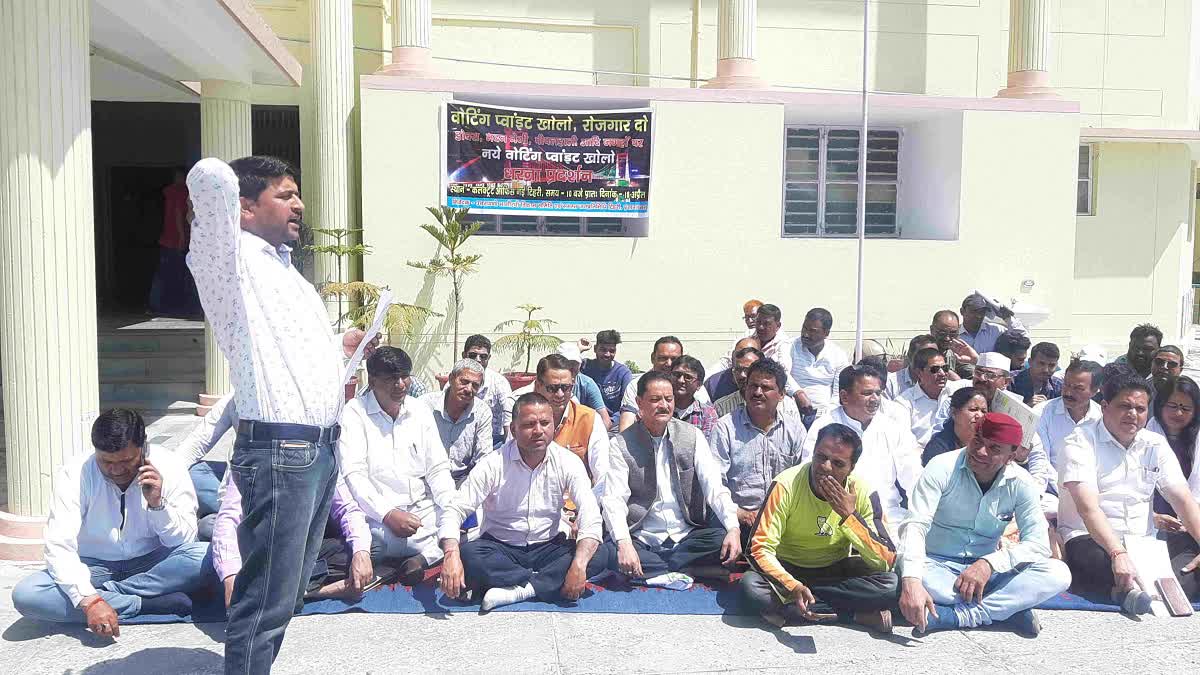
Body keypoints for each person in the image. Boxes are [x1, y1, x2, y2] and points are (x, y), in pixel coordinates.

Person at [186, 155, 372, 674]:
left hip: (317, 449)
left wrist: (343, 346)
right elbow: (209, 179)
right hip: (280, 451)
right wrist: (234, 182)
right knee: (265, 596)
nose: (299, 205)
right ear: (244, 208)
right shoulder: (229, 261)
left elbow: (289, 356)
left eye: (297, 194)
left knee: (287, 594)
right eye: (285, 195)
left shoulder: (286, 271)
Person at [12, 410, 212, 633]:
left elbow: (183, 541)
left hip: (153, 564)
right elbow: (59, 545)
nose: (116, 470)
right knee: (28, 594)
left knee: (206, 555)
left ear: (144, 447)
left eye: (126, 461)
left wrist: (157, 504)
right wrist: (90, 601)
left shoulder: (169, 465)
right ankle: (147, 605)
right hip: (94, 566)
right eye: (106, 462)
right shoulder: (76, 473)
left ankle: (112, 599)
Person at [898, 413, 1070, 637]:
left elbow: (1038, 544)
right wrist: (911, 581)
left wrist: (988, 564)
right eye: (977, 441)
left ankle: (959, 616)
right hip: (938, 568)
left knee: (1058, 573)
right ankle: (1008, 610)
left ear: (1012, 455)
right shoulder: (941, 467)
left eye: (994, 448)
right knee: (908, 575)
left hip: (989, 575)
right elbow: (915, 526)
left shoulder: (1021, 482)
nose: (980, 452)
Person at [437, 393, 606, 611]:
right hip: (500, 547)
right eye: (529, 424)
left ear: (553, 425)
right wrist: (451, 555)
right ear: (513, 430)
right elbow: (455, 509)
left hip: (548, 546)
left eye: (545, 423)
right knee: (469, 556)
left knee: (600, 553)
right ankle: (549, 581)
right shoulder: (493, 463)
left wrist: (580, 564)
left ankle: (520, 590)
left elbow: (590, 513)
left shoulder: (568, 462)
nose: (538, 431)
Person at [1058, 372, 1200, 612]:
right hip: (1092, 539)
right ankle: (1129, 589)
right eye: (1125, 406)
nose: (1133, 414)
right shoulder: (1079, 441)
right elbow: (1088, 509)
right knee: (1096, 561)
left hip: (1143, 543)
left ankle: (1131, 591)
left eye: (1140, 408)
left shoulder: (1154, 443)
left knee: (1190, 555)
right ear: (1104, 406)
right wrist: (1117, 552)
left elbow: (1183, 500)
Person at [739, 423, 899, 632]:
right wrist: (793, 585)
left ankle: (794, 610)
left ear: (851, 468)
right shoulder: (786, 484)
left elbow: (885, 560)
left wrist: (850, 517)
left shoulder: (862, 491)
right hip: (788, 568)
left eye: (838, 463)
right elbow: (758, 548)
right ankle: (854, 615)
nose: (825, 467)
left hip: (836, 569)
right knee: (751, 587)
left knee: (891, 585)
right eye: (820, 457)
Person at [595, 372, 742, 588]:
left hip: (686, 535)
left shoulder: (692, 436)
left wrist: (733, 528)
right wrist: (625, 543)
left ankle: (652, 572)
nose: (663, 405)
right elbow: (614, 499)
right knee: (610, 551)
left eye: (668, 399)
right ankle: (689, 570)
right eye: (655, 400)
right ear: (639, 403)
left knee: (722, 539)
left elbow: (714, 486)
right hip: (642, 536)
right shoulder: (621, 444)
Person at [338, 347, 457, 579]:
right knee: (367, 545)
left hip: (420, 515)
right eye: (392, 379)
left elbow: (438, 468)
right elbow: (354, 475)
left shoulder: (419, 410)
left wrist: (451, 508)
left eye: (405, 376)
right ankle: (425, 557)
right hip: (377, 520)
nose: (401, 384)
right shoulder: (355, 412)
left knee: (471, 525)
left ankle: (419, 560)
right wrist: (388, 514)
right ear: (372, 382)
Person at [213, 472, 379, 607]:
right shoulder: (254, 453)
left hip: (302, 549)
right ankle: (314, 591)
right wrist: (230, 577)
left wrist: (361, 553)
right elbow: (229, 518)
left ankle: (279, 595)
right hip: (262, 549)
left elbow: (347, 509)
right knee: (218, 568)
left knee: (366, 553)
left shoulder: (320, 453)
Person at [802, 366, 923, 529]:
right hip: (834, 516)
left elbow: (914, 478)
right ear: (844, 397)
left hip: (888, 517)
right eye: (867, 393)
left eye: (878, 393)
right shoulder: (824, 427)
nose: (875, 399)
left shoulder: (893, 429)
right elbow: (813, 475)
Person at [711, 360, 807, 544]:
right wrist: (739, 514)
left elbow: (803, 479)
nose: (757, 393)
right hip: (739, 521)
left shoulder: (795, 429)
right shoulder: (725, 428)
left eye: (766, 387)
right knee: (714, 544)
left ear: (781, 395)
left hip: (784, 521)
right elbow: (716, 483)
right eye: (753, 386)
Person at [1147, 376, 1200, 599]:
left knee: (1181, 583)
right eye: (1172, 406)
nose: (1178, 413)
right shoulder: (1143, 438)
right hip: (1149, 529)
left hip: (1191, 532)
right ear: (1160, 405)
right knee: (1155, 586)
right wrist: (1153, 516)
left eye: (1185, 408)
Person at [530, 354, 611, 499]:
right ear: (538, 386)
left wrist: (587, 511)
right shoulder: (524, 420)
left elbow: (603, 476)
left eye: (566, 387)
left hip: (576, 508)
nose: (560, 394)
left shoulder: (590, 419)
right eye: (552, 388)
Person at [420, 358, 494, 486]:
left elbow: (484, 458)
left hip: (462, 480)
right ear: (451, 379)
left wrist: (468, 486)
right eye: (464, 382)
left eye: (475, 385)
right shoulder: (425, 405)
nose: (469, 389)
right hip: (425, 479)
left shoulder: (482, 412)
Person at [173, 392, 237, 527]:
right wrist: (166, 475)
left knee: (207, 527)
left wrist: (227, 502)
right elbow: (200, 439)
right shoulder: (236, 398)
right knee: (191, 472)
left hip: (257, 488)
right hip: (231, 477)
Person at [781, 308, 851, 421]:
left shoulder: (838, 355)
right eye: (804, 328)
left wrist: (827, 416)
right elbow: (782, 373)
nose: (805, 334)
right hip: (791, 411)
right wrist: (797, 393)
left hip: (825, 415)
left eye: (812, 331)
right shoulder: (789, 346)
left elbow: (838, 393)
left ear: (826, 333)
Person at [1032, 359, 1103, 470]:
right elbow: (1039, 461)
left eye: (1078, 388)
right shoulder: (1042, 412)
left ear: (1095, 391)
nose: (1068, 393)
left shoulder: (1103, 418)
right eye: (1066, 385)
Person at [148, 167, 198, 317]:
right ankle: (175, 306)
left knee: (165, 274)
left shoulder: (169, 192)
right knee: (177, 274)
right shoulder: (179, 192)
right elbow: (178, 214)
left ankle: (158, 306)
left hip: (167, 238)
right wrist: (182, 237)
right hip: (176, 240)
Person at [930, 352, 1013, 436]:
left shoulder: (1013, 408)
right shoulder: (955, 401)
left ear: (1006, 382)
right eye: (978, 373)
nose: (982, 378)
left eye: (990, 375)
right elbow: (938, 436)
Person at [711, 346, 801, 420]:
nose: (742, 375)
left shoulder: (787, 405)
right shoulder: (721, 407)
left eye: (748, 369)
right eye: (738, 370)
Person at [618, 336, 687, 431]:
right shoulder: (636, 385)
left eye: (674, 359)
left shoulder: (690, 385)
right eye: (663, 358)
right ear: (653, 358)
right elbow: (626, 426)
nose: (669, 364)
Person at [462, 334, 513, 446]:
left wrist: (509, 451)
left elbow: (508, 417)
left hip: (494, 441)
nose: (478, 360)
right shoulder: (454, 382)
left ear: (488, 358)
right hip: (462, 439)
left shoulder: (499, 383)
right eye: (473, 355)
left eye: (483, 357)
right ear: (464, 355)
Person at [581, 329, 634, 429]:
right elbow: (561, 367)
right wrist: (578, 349)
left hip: (615, 425)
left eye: (611, 351)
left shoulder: (623, 373)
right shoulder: (584, 367)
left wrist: (612, 421)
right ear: (595, 349)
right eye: (603, 350)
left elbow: (628, 405)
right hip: (586, 423)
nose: (607, 354)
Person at [922, 387, 989, 465]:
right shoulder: (936, 450)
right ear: (954, 412)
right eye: (973, 409)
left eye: (984, 411)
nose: (980, 415)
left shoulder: (989, 445)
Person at [554, 342, 612, 431]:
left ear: (580, 364)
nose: (571, 367)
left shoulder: (587, 383)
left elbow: (605, 421)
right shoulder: (546, 383)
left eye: (574, 363)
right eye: (566, 363)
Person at [897, 347, 948, 447]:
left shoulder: (955, 390)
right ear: (919, 373)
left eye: (945, 368)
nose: (942, 373)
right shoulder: (904, 403)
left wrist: (975, 360)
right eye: (935, 369)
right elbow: (902, 441)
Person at [958, 291, 1027, 355]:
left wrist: (1008, 318)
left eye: (982, 312)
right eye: (974, 311)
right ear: (962, 311)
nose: (979, 316)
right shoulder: (954, 334)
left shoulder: (995, 330)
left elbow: (1023, 337)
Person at [672, 355, 719, 440]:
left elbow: (706, 448)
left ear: (699, 385)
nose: (681, 380)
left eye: (688, 377)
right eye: (677, 375)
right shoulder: (661, 409)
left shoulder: (707, 414)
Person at [705, 336, 762, 400]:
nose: (744, 357)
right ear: (733, 355)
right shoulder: (713, 384)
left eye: (750, 352)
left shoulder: (768, 385)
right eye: (740, 353)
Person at [886, 334, 939, 400]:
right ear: (909, 356)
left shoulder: (942, 381)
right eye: (923, 355)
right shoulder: (891, 383)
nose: (929, 360)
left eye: (933, 355)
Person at [1011, 342, 1062, 406]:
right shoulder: (1011, 380)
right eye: (1041, 364)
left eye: (1051, 365)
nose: (1046, 370)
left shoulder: (1059, 386)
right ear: (1030, 362)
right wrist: (1027, 407)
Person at [930, 309, 976, 375]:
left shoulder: (955, 353)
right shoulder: (921, 350)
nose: (947, 338)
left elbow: (972, 374)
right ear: (932, 330)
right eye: (942, 333)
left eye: (953, 334)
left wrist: (975, 360)